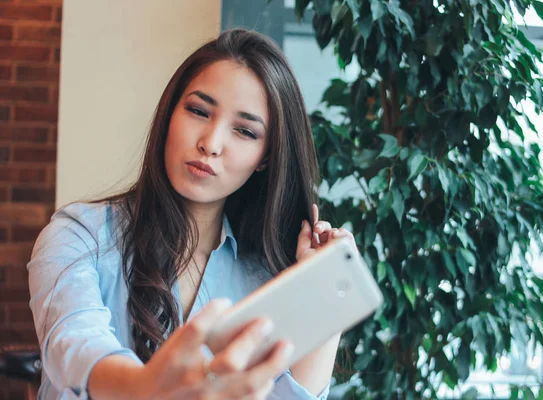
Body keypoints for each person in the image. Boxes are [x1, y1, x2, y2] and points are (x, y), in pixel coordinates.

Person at [27, 29, 356, 399]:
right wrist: (141, 388)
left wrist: (325, 291)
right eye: (199, 111)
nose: (211, 143)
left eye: (245, 131)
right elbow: (71, 342)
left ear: (266, 156)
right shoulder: (80, 234)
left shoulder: (266, 276)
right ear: (170, 113)